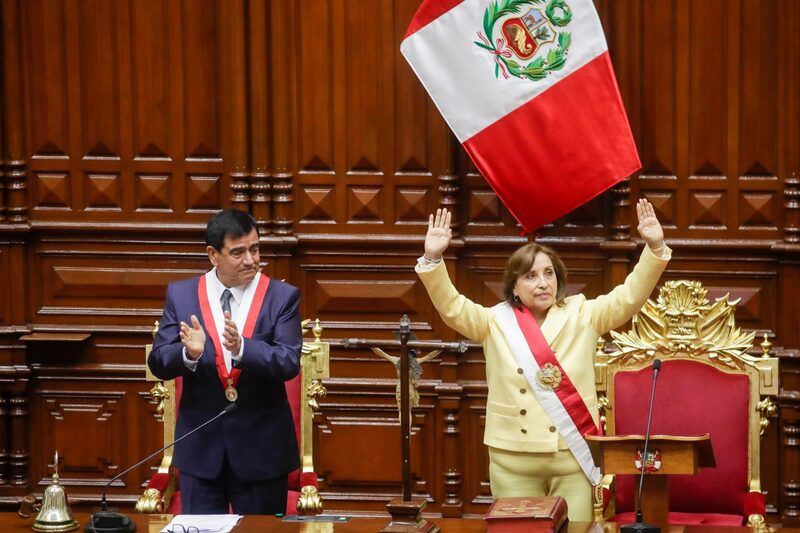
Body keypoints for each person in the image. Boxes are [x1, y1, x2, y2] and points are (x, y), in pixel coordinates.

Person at [416, 199, 670, 521]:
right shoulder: (494, 321)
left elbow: (630, 295)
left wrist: (654, 246)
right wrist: (433, 257)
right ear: (515, 287)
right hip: (513, 457)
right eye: (531, 276)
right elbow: (451, 307)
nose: (543, 282)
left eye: (548, 273)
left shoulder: (584, 314)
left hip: (572, 455)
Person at [147, 208, 302, 514]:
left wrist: (244, 348)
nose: (251, 260)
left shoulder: (282, 297)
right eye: (238, 252)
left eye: (255, 249)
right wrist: (188, 354)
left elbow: (288, 362)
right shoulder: (182, 295)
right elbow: (158, 361)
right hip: (201, 452)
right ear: (213, 255)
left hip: (262, 452)